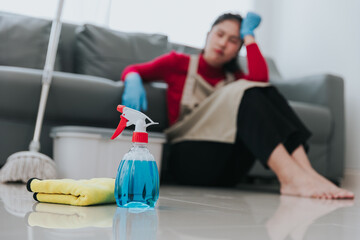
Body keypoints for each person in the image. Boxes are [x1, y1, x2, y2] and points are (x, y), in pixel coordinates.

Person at [120, 12, 354, 199]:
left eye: (234, 40)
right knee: (248, 91)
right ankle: (291, 178)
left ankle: (307, 173)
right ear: (208, 34)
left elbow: (262, 80)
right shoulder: (177, 63)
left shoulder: (235, 78)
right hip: (190, 161)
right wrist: (132, 79)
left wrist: (249, 36)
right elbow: (133, 69)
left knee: (259, 92)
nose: (223, 43)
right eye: (220, 34)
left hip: (228, 168)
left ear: (238, 49)